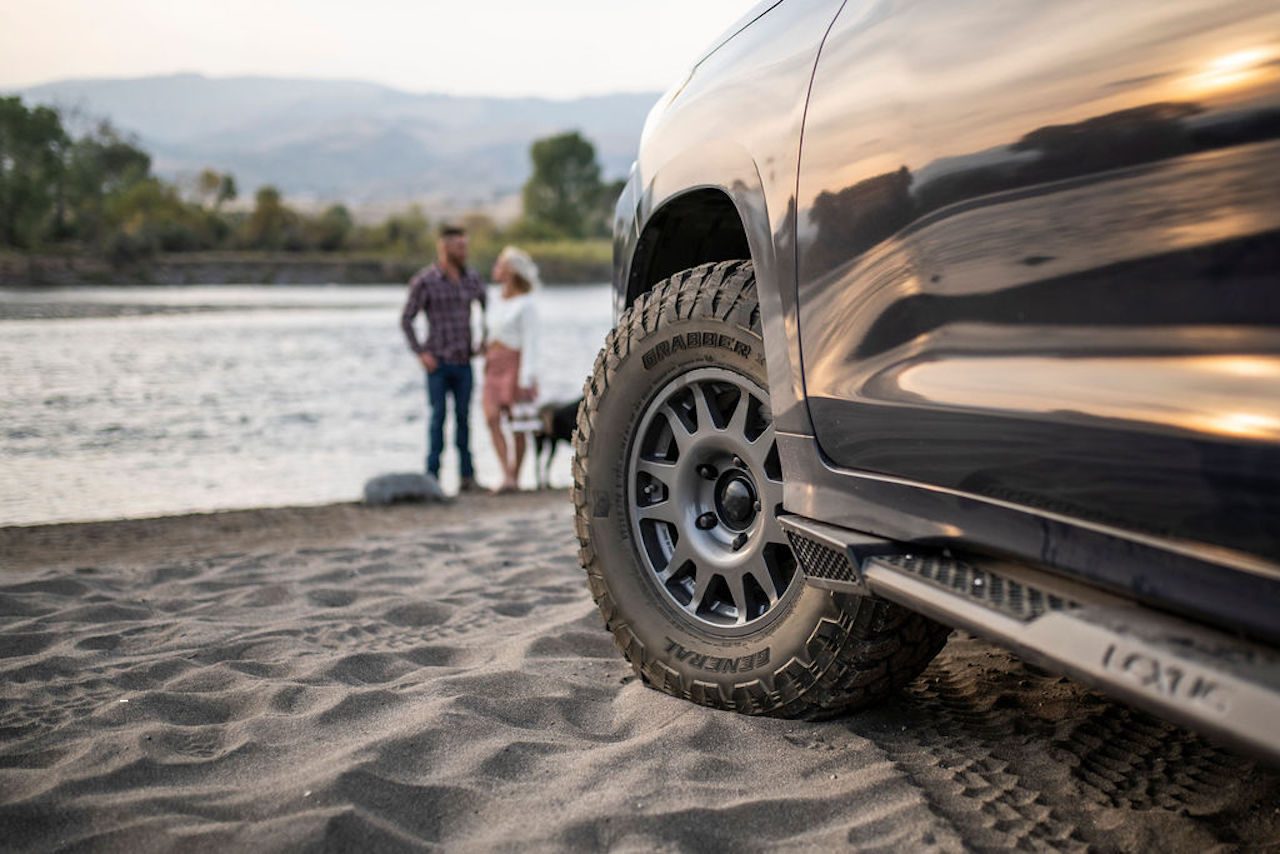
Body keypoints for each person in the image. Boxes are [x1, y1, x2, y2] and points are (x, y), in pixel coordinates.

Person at [400, 225, 487, 492]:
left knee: (464, 420)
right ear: (444, 248)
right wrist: (420, 352)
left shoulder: (472, 279)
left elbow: (490, 310)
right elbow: (406, 319)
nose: (465, 251)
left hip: (464, 362)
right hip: (437, 363)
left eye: (465, 246)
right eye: (460, 246)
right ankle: (432, 476)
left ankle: (467, 478)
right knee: (438, 419)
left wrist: (484, 339)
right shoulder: (425, 281)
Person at [482, 246, 540, 493]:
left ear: (511, 271)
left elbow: (530, 342)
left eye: (500, 264)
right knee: (491, 417)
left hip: (514, 364)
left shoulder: (526, 304)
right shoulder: (495, 299)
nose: (495, 268)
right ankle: (505, 472)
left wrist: (526, 378)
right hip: (493, 364)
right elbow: (491, 331)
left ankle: (514, 477)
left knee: (518, 424)